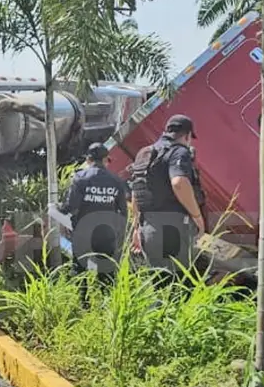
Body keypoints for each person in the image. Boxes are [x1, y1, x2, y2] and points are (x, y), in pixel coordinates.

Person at [128, 114, 206, 284]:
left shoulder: (144, 153)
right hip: (173, 229)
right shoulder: (179, 151)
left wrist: (136, 229)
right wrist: (197, 217)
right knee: (177, 287)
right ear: (186, 136)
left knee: (157, 286)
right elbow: (179, 182)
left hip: (147, 228)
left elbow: (136, 192)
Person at [62, 143, 128, 293]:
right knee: (106, 275)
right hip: (106, 234)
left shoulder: (80, 178)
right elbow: (123, 212)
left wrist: (55, 209)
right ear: (106, 160)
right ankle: (106, 308)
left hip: (83, 233)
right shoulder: (116, 181)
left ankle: (83, 306)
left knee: (80, 272)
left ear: (88, 159)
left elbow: (71, 206)